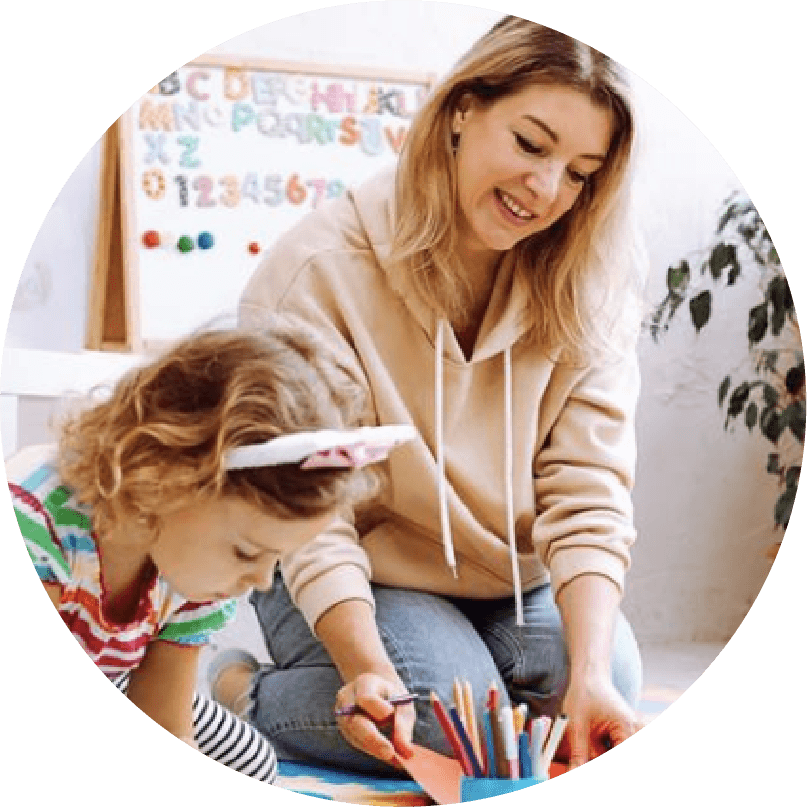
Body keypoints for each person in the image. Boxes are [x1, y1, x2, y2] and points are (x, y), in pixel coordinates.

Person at [217, 15, 645, 775]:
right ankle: (242, 688)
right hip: (348, 561)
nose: (546, 190)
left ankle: (492, 674)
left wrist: (584, 677)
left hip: (505, 576)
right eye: (529, 143)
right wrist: (361, 663)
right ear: (460, 111)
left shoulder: (592, 280)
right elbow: (310, 515)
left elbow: (588, 491)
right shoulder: (318, 268)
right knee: (448, 727)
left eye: (580, 171)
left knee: (607, 686)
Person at [11, 322, 414, 783]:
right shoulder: (37, 526)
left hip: (114, 679)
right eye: (246, 553)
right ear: (164, 478)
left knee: (251, 761)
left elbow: (167, 725)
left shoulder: (190, 567)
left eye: (274, 559)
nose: (261, 582)